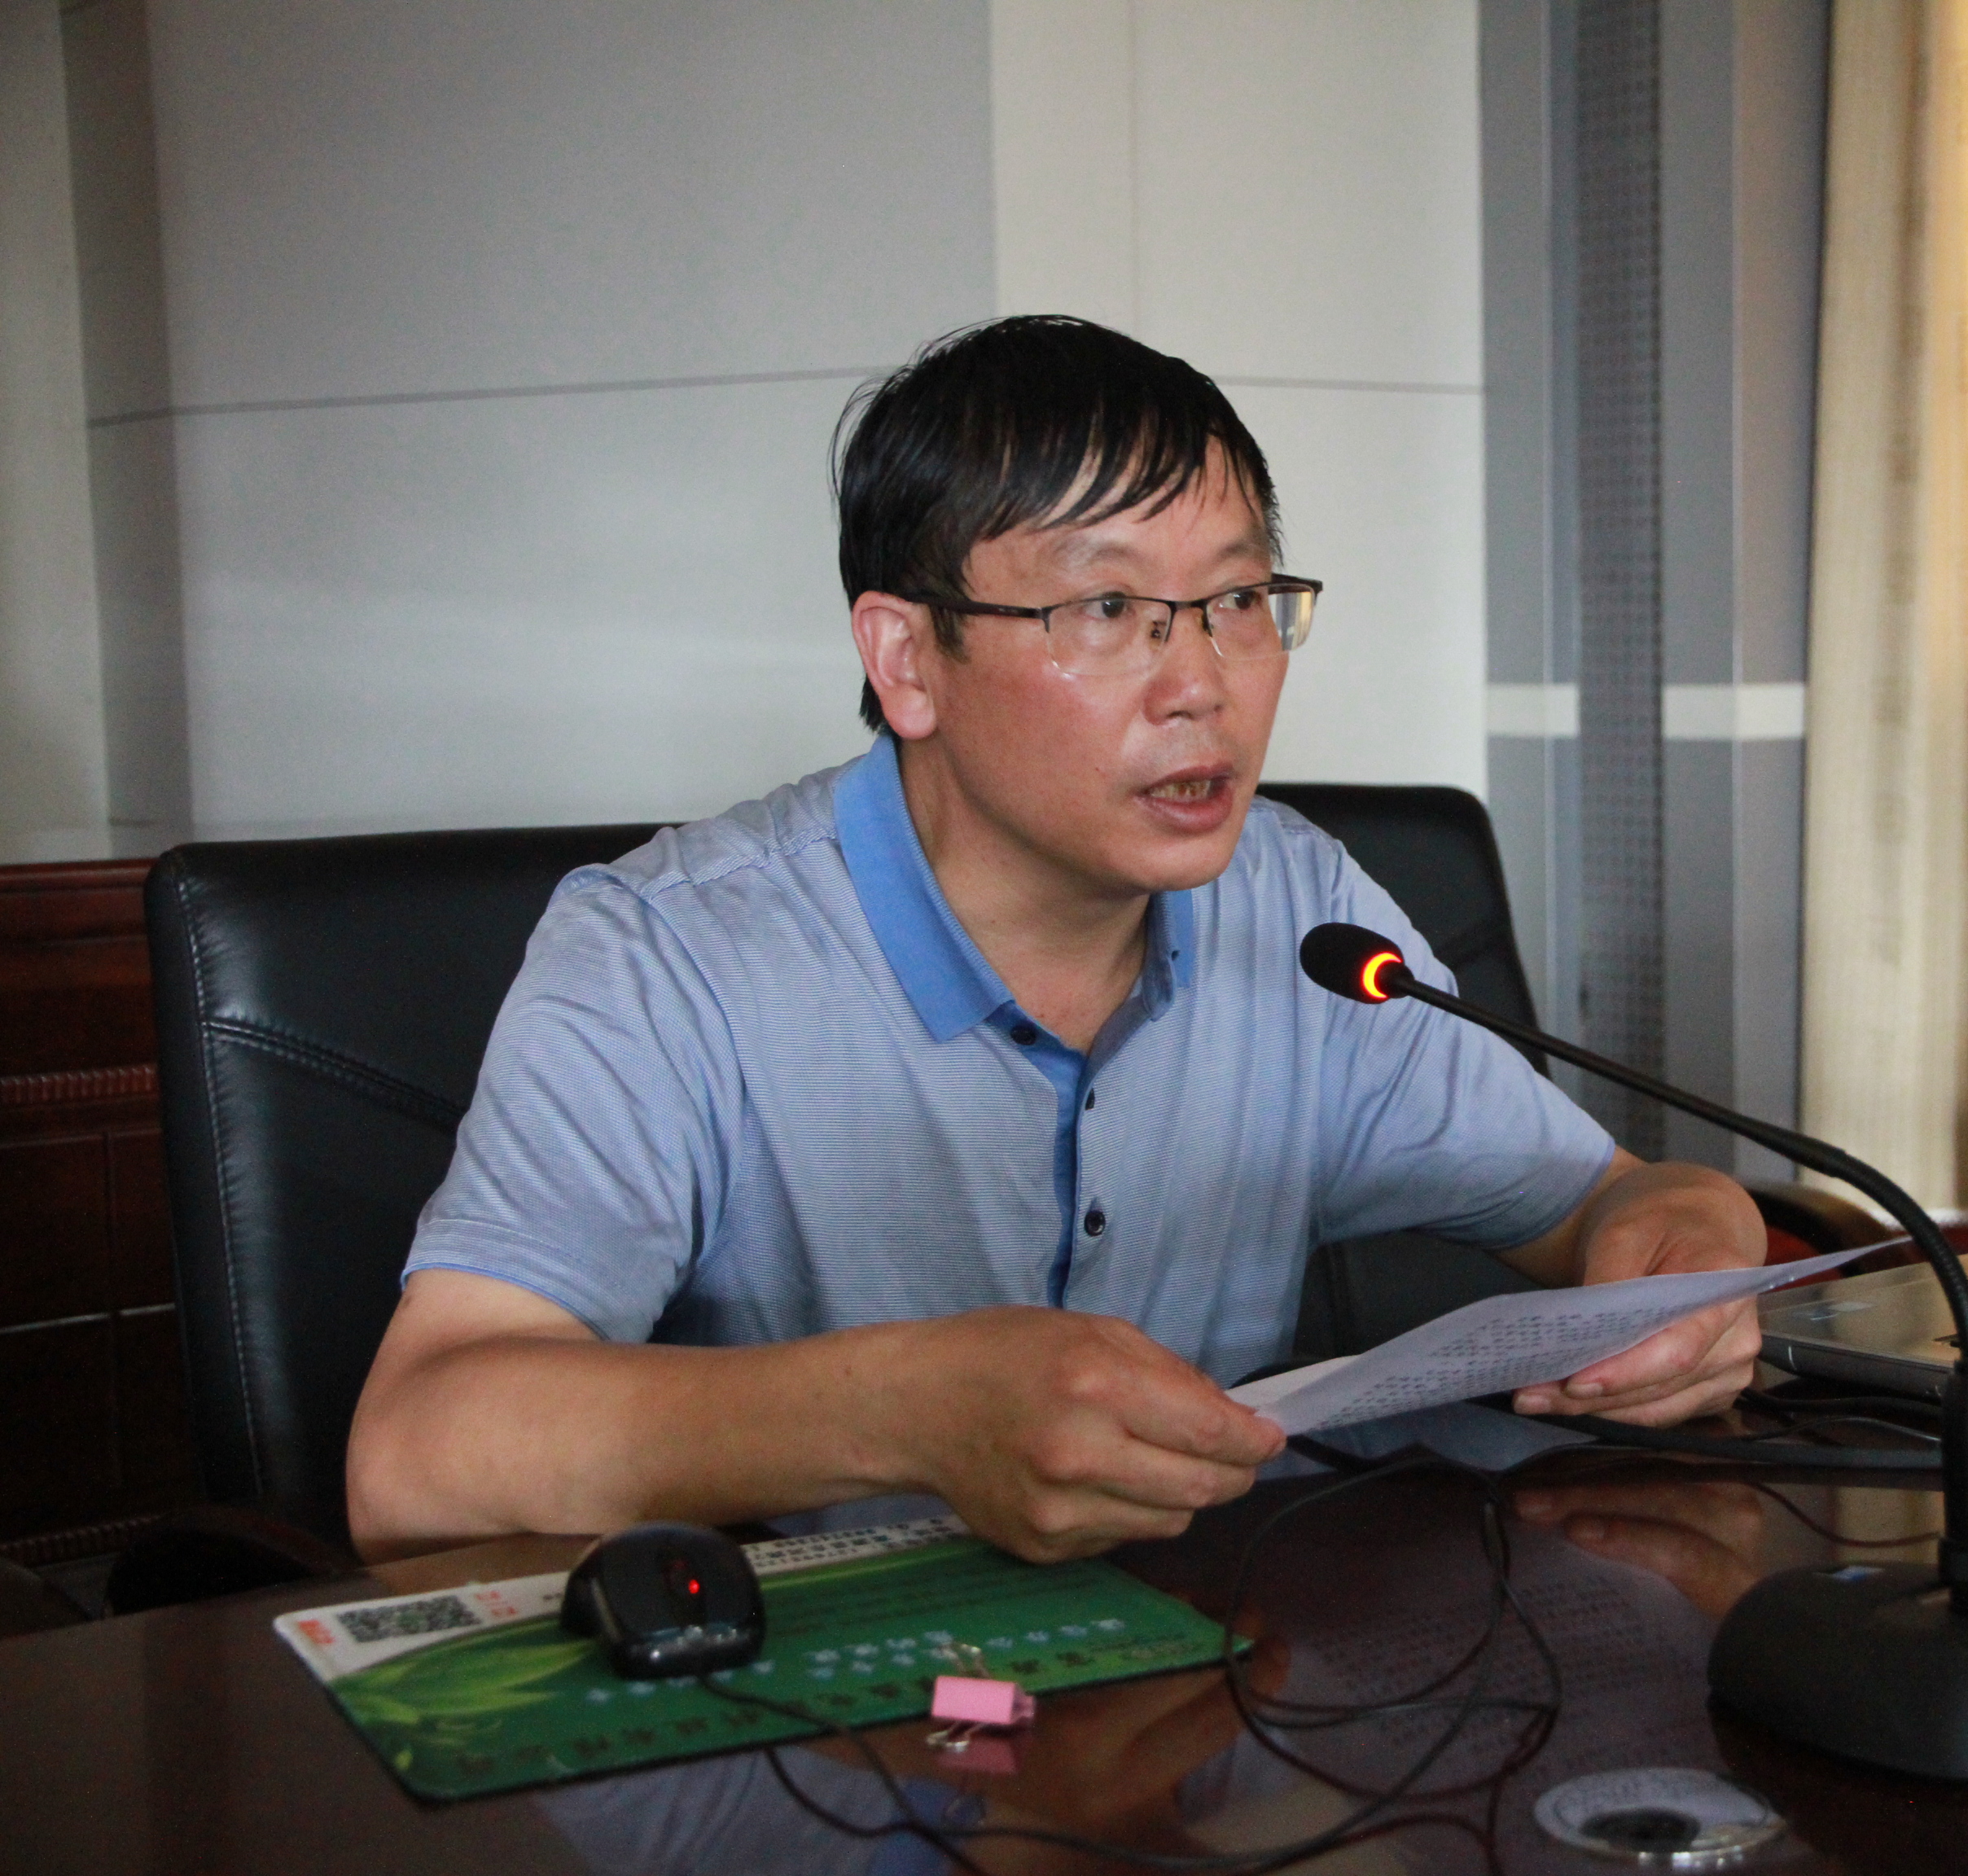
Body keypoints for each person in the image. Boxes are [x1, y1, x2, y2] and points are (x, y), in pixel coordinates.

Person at [344, 316, 1764, 1566]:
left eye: (1238, 602)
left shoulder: (1300, 910)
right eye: (1105, 609)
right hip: (820, 1716)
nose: (1201, 683)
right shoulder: (664, 957)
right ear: (908, 661)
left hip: (1216, 1682)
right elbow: (414, 1458)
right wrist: (904, 1408)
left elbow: (1601, 1206)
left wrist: (1688, 1245)